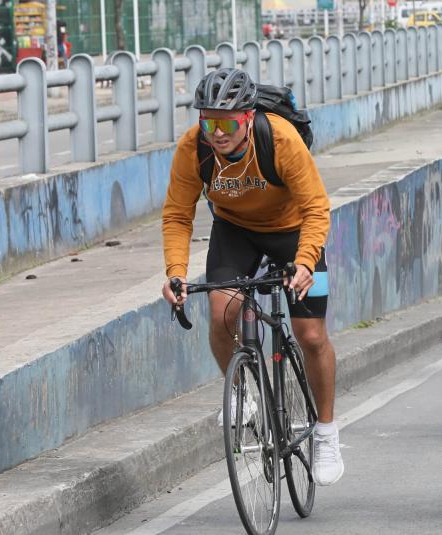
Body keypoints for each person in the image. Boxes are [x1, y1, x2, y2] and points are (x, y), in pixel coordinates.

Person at [160, 68, 344, 486]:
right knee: (223, 307)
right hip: (235, 230)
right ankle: (243, 388)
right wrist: (175, 273)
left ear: (248, 118)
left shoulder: (279, 138)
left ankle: (327, 433)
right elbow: (176, 214)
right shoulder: (194, 148)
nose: (218, 133)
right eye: (209, 123)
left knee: (311, 335)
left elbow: (317, 207)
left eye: (227, 123)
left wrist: (304, 262)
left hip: (295, 230)